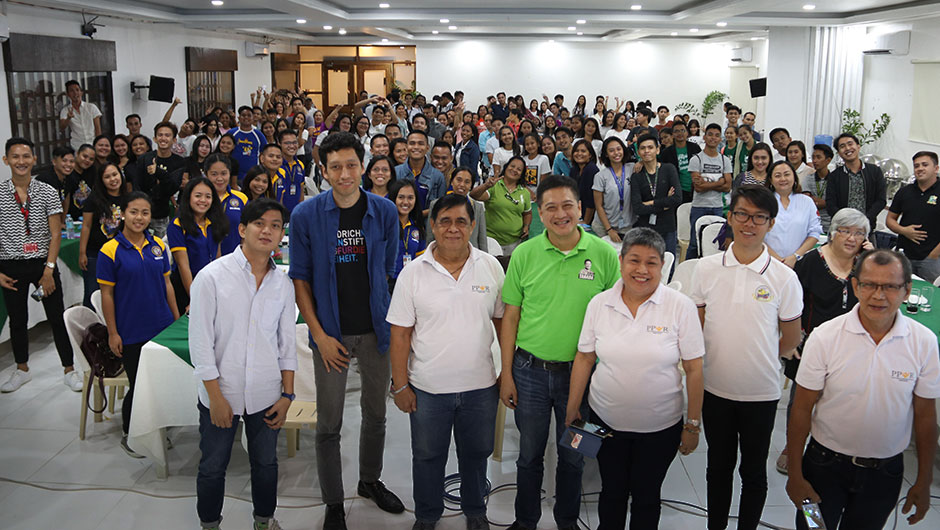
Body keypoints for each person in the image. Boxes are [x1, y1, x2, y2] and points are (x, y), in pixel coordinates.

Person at [289, 132, 404, 530]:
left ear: (364, 166)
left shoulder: (385, 211)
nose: (343, 174)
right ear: (323, 170)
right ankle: (334, 502)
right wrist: (319, 336)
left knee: (376, 414)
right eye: (334, 166)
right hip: (331, 335)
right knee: (329, 423)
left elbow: (389, 270)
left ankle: (369, 480)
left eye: (351, 165)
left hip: (375, 330)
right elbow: (300, 279)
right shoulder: (306, 215)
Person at [786, 249, 940, 530]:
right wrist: (795, 475)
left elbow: (926, 416)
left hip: (884, 475)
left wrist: (924, 480)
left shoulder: (924, 343)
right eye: (869, 284)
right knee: (811, 527)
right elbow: (801, 408)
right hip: (821, 467)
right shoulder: (825, 337)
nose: (878, 295)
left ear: (907, 291)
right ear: (855, 286)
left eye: (890, 287)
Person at [499, 175, 619, 530]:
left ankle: (567, 520)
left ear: (580, 208)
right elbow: (510, 318)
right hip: (529, 372)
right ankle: (526, 521)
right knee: (528, 455)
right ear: (539, 212)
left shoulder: (603, 254)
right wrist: (506, 373)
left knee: (576, 455)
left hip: (585, 379)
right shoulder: (524, 254)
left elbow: (615, 317)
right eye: (550, 207)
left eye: (568, 205)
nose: (560, 214)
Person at [565, 228, 704, 530]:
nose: (642, 270)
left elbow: (694, 368)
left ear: (662, 266)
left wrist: (692, 424)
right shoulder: (600, 304)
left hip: (660, 428)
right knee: (611, 493)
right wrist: (573, 407)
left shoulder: (681, 307)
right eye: (634, 261)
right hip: (604, 422)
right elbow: (585, 357)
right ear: (621, 261)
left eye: (651, 263)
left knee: (646, 497)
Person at [388, 193, 505, 530]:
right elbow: (400, 336)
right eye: (445, 221)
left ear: (472, 226)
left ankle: (474, 511)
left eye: (461, 222)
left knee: (476, 455)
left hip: (481, 387)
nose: (453, 229)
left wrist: (505, 373)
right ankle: (427, 515)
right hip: (427, 388)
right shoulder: (413, 272)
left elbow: (502, 324)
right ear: (433, 226)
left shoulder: (490, 266)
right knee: (427, 458)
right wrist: (400, 386)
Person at [690, 184, 803, 530]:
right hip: (715, 388)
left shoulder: (784, 278)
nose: (749, 223)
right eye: (742, 214)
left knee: (754, 471)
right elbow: (699, 325)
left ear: (770, 223)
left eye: (759, 217)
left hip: (761, 393)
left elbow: (791, 338)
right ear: (730, 217)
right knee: (717, 468)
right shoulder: (707, 268)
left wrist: (761, 356)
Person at [190, 198, 297, 530]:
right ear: (242, 229)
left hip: (266, 393)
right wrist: (218, 399)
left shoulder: (283, 283)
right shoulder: (211, 277)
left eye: (276, 225)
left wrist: (287, 396)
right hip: (221, 394)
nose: (267, 230)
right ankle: (210, 524)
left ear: (281, 234)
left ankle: (263, 520)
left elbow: (286, 344)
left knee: (265, 463)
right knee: (213, 465)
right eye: (259, 223)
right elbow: (200, 345)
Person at [775, 207, 870, 475]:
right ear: (832, 233)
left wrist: (872, 254)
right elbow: (791, 304)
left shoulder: (865, 265)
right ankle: (792, 447)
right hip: (811, 345)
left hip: (852, 346)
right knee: (802, 401)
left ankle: (834, 446)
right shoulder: (811, 263)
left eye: (858, 233)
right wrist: (791, 339)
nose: (851, 238)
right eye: (845, 231)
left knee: (844, 400)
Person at [96, 191, 179, 456]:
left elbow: (167, 284)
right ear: (122, 214)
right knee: (139, 384)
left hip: (162, 325)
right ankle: (131, 432)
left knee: (162, 381)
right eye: (134, 212)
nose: (139, 218)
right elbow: (106, 295)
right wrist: (113, 332)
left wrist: (176, 320)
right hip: (131, 329)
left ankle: (158, 428)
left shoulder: (157, 246)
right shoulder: (110, 250)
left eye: (145, 213)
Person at [0, 137, 80, 393]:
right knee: (17, 320)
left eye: (26, 156)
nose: (21, 161)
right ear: (6, 160)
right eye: (15, 157)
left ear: (34, 160)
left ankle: (69, 369)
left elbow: (55, 234)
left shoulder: (46, 191)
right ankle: (21, 369)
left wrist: (49, 269)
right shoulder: (0, 193)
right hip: (10, 266)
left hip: (42, 265)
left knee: (57, 317)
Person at [168, 177, 229, 314]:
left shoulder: (215, 221)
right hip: (186, 286)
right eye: (198, 195)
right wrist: (195, 297)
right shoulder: (177, 225)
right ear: (188, 197)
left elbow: (217, 258)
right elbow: (184, 266)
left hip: (210, 283)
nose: (203, 200)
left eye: (208, 196)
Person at [78, 163, 127, 308]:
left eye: (115, 174)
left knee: (118, 291)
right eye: (107, 177)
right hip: (95, 253)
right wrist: (82, 253)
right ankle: (92, 327)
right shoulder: (93, 200)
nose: (112, 179)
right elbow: (86, 226)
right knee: (93, 293)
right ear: (101, 180)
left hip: (120, 253)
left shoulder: (128, 198)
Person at [886, 150, 940, 283]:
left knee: (928, 296)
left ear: (936, 168)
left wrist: (934, 254)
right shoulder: (905, 192)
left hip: (931, 259)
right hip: (904, 255)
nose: (920, 169)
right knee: (899, 291)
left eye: (925, 165)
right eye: (916, 166)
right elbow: (890, 219)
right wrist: (904, 231)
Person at [631, 134, 682, 257]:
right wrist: (664, 204)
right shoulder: (637, 176)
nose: (646, 151)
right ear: (638, 152)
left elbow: (677, 199)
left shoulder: (669, 169)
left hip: (668, 227)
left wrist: (650, 203)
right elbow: (638, 207)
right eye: (643, 148)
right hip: (645, 230)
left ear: (657, 149)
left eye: (650, 147)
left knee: (667, 267)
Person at [764, 161, 822, 267]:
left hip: (800, 263)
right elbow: (757, 234)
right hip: (769, 262)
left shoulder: (807, 202)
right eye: (777, 176)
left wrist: (795, 257)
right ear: (771, 180)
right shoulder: (762, 202)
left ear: (794, 177)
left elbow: (814, 232)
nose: (783, 179)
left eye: (787, 174)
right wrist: (777, 260)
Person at [687, 123, 732, 259]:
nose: (713, 138)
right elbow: (698, 188)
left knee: (713, 246)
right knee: (695, 244)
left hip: (717, 207)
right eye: (710, 134)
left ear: (720, 139)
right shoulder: (696, 159)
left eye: (717, 135)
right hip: (699, 207)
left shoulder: (725, 160)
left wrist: (707, 182)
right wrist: (719, 182)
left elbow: (727, 187)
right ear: (704, 137)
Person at [470, 156, 531, 255]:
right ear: (506, 167)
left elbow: (527, 213)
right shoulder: (494, 186)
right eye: (512, 166)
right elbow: (474, 195)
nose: (515, 170)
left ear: (521, 175)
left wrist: (526, 226)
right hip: (491, 242)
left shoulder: (525, 193)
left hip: (514, 242)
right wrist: (486, 185)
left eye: (519, 169)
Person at [825, 134, 887, 232]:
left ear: (858, 147)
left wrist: (864, 220)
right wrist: (845, 221)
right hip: (841, 229)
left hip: (867, 229)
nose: (847, 148)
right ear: (839, 153)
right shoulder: (834, 176)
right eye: (842, 146)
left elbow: (881, 200)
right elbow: (830, 204)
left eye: (850, 144)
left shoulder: (874, 171)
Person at [136, 121, 187, 237]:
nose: (163, 138)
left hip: (162, 215)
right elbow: (138, 185)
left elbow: (171, 188)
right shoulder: (145, 159)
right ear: (154, 138)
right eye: (160, 135)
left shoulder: (179, 162)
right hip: (141, 213)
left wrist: (158, 172)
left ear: (174, 140)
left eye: (167, 135)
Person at [427, 167, 487, 251]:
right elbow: (430, 236)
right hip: (443, 254)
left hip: (471, 257)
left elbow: (482, 240)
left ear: (471, 186)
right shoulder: (436, 204)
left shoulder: (477, 208)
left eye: (467, 182)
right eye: (458, 180)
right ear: (452, 182)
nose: (462, 184)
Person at [592, 136, 636, 242]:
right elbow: (599, 206)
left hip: (627, 226)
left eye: (618, 149)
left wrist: (642, 163)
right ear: (606, 154)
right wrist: (609, 229)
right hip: (603, 227)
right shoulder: (600, 176)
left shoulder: (633, 168)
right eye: (611, 151)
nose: (616, 153)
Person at [204, 154, 249, 256]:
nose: (219, 178)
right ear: (206, 174)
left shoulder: (241, 198)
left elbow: (248, 230)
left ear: (230, 174)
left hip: (234, 258)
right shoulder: (200, 200)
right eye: (214, 174)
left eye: (224, 173)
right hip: (205, 260)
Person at [395, 130, 446, 214]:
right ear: (406, 147)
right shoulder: (396, 172)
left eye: (420, 143)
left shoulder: (438, 177)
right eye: (412, 143)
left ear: (427, 148)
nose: (416, 147)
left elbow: (440, 208)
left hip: (426, 225)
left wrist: (419, 216)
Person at [388, 179, 426, 290]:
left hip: (410, 282)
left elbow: (420, 259)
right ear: (393, 198)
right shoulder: (386, 225)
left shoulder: (417, 227)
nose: (405, 202)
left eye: (410, 198)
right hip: (389, 282)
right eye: (401, 197)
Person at [660, 121, 701, 204]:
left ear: (687, 132)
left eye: (682, 130)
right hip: (678, 191)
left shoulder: (695, 148)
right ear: (673, 134)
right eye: (676, 131)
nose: (680, 133)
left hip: (695, 189)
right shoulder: (666, 153)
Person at [58, 80, 102, 150]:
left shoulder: (91, 107)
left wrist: (99, 144)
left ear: (81, 92)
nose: (75, 93)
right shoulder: (65, 110)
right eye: (71, 91)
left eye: (77, 90)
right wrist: (68, 118)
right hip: (77, 146)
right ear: (68, 94)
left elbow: (98, 129)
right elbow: (62, 127)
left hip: (93, 144)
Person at [231, 105, 268, 183]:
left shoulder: (259, 135)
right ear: (239, 118)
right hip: (234, 176)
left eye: (249, 115)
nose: (246, 118)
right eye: (243, 115)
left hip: (253, 176)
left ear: (253, 118)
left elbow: (265, 153)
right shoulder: (232, 133)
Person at [802, 144, 833, 232]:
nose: (814, 161)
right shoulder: (808, 178)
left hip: (830, 224)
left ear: (828, 160)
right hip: (812, 223)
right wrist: (827, 203)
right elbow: (807, 201)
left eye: (818, 157)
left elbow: (836, 203)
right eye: (813, 157)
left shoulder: (834, 179)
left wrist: (816, 200)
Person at [274, 129, 306, 216]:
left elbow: (301, 190)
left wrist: (301, 211)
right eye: (287, 143)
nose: (292, 146)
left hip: (295, 213)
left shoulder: (300, 165)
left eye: (294, 142)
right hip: (278, 213)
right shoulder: (275, 165)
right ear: (279, 144)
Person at [38, 145, 75, 218]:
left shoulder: (70, 177)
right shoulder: (47, 179)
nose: (68, 164)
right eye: (64, 161)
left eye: (71, 161)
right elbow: (52, 207)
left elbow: (66, 200)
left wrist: (63, 221)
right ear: (54, 162)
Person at [66, 144, 97, 221]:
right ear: (77, 154)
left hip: (87, 216)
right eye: (85, 156)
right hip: (69, 218)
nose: (87, 160)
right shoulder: (68, 172)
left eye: (91, 159)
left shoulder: (92, 171)